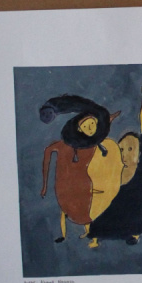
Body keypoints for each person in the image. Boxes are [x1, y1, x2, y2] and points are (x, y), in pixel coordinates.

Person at [39, 95, 120, 242]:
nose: (90, 127)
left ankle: (90, 233)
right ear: (78, 127)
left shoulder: (95, 146)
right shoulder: (65, 145)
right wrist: (44, 185)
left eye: (93, 125)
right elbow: (48, 152)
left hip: (85, 190)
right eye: (87, 125)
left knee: (84, 212)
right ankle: (67, 234)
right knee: (69, 210)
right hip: (68, 189)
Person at [87, 84, 142, 248]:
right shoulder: (115, 170)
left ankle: (133, 235)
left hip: (133, 220)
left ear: (139, 154)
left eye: (130, 149)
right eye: (122, 149)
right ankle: (96, 237)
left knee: (133, 216)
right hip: (111, 216)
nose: (124, 153)